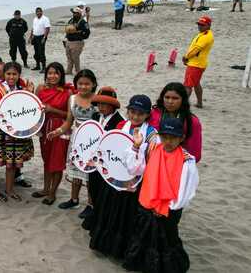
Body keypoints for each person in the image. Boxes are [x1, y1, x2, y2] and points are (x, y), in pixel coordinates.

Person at [122, 118, 199, 273]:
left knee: (166, 240)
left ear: (182, 138)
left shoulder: (187, 160)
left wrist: (168, 207)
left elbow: (186, 190)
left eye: (173, 137)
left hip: (168, 210)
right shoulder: (151, 149)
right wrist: (136, 147)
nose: (168, 141)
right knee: (144, 236)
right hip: (146, 204)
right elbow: (134, 169)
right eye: (165, 137)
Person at [88, 94, 157, 260]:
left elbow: (151, 160)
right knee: (110, 210)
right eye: (132, 111)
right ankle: (105, 244)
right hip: (115, 177)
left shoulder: (151, 134)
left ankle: (122, 249)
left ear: (147, 114)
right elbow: (109, 147)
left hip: (135, 182)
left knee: (127, 215)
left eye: (140, 113)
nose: (135, 116)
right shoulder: (121, 125)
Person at [0, 62, 36, 202]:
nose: (11, 76)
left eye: (14, 74)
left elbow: (28, 108)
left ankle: (9, 189)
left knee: (12, 161)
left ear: (18, 75)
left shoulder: (22, 88)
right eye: (8, 74)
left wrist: (30, 94)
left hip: (14, 132)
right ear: (4, 74)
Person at [46, 69, 98, 216]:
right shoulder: (73, 98)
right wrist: (57, 131)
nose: (83, 87)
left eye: (86, 84)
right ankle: (74, 200)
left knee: (89, 174)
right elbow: (69, 122)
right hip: (77, 138)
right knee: (76, 171)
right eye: (80, 83)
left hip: (93, 141)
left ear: (93, 84)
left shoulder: (98, 99)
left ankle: (90, 204)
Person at [82, 87, 124, 232]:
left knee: (104, 192)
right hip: (94, 161)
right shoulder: (95, 117)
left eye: (105, 104)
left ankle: (102, 220)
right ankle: (95, 214)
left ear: (113, 105)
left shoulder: (120, 122)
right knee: (93, 187)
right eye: (99, 104)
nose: (101, 107)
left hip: (108, 163)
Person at [33, 62, 73, 205]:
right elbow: (33, 108)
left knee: (56, 161)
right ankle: (45, 188)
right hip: (45, 128)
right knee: (47, 159)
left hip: (61, 129)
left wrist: (52, 110)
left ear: (61, 75)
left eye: (56, 73)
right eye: (50, 73)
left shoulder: (68, 92)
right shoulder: (40, 89)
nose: (52, 76)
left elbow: (70, 115)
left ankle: (52, 193)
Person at [150, 82, 202, 162]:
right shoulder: (153, 114)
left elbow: (195, 154)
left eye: (175, 98)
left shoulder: (192, 121)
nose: (170, 101)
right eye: (167, 97)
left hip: (176, 162)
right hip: (151, 159)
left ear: (183, 100)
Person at [182, 15, 214, 108]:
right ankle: (199, 103)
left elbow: (196, 49)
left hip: (195, 64)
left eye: (202, 25)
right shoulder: (205, 34)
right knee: (196, 83)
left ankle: (183, 105)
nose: (200, 26)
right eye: (199, 24)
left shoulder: (206, 36)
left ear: (208, 25)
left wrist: (186, 57)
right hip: (198, 63)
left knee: (188, 85)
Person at [64, 7, 90, 75]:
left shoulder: (83, 22)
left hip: (77, 42)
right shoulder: (71, 20)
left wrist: (81, 36)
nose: (74, 14)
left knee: (75, 57)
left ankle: (78, 71)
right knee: (69, 57)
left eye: (76, 13)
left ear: (79, 14)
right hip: (69, 41)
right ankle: (69, 70)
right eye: (74, 13)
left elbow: (87, 32)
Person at [28, 7, 51, 72]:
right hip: (35, 37)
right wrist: (30, 37)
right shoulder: (35, 19)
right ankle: (37, 66)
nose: (38, 13)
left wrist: (44, 38)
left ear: (42, 12)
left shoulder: (45, 19)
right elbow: (33, 28)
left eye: (39, 11)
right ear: (35, 13)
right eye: (37, 12)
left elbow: (47, 29)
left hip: (42, 37)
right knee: (36, 52)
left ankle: (44, 67)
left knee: (41, 52)